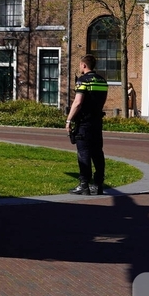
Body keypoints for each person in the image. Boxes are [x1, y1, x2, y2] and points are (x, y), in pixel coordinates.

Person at [65, 54, 109, 195]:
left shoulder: (83, 81)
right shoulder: (102, 81)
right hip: (97, 122)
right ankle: (98, 184)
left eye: (80, 65)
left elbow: (78, 103)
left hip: (84, 123)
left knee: (83, 153)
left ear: (84, 65)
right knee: (97, 153)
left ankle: (84, 185)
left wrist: (69, 119)